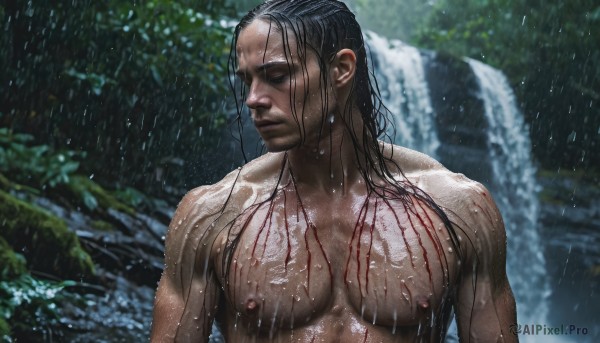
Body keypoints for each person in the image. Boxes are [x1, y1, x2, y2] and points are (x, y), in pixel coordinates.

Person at [150, 0, 517, 342]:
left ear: (341, 69)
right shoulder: (213, 214)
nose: (253, 99)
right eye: (249, 81)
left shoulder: (458, 208)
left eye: (276, 76)